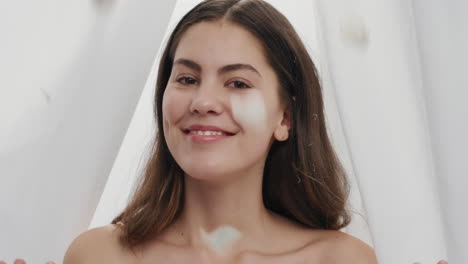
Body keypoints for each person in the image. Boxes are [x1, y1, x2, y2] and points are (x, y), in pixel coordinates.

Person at [2, 0, 448, 263]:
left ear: (285, 119)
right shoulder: (98, 256)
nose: (203, 101)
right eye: (187, 78)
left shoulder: (339, 260)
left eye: (238, 83)